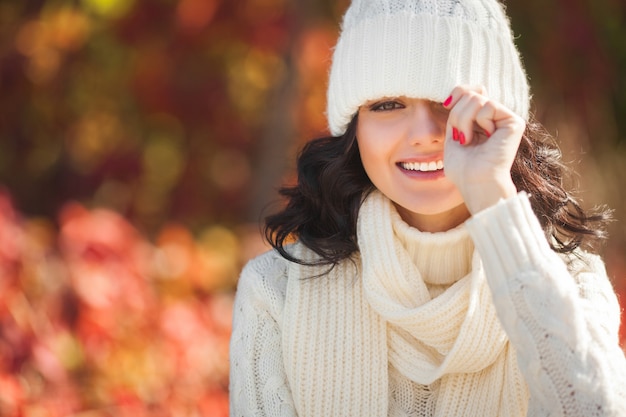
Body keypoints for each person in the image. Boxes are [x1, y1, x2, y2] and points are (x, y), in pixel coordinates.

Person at [229, 0, 626, 415]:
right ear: (354, 129)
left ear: (504, 121)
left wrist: (492, 193)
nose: (424, 134)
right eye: (387, 105)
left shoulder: (573, 286)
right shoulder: (276, 292)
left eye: (450, 102)